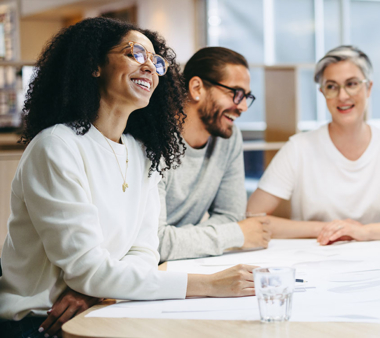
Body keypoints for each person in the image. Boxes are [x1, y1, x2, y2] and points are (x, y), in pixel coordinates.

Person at [0, 18, 255, 338]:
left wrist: (98, 287)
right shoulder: (56, 146)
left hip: (104, 308)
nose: (149, 66)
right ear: (94, 64)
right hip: (37, 323)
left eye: (156, 61)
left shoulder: (143, 152)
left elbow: (144, 252)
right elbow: (87, 270)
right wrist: (209, 284)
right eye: (136, 53)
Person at [246, 45, 380, 245]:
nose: (342, 96)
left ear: (368, 88)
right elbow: (253, 217)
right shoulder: (298, 148)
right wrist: (329, 229)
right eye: (332, 86)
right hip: (316, 256)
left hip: (377, 258)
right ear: (322, 92)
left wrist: (362, 232)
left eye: (352, 84)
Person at [156, 47, 270, 262]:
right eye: (235, 93)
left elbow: (230, 216)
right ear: (197, 88)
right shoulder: (153, 140)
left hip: (189, 263)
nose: (243, 107)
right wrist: (236, 235)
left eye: (247, 96)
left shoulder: (229, 138)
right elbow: (154, 241)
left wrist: (185, 242)